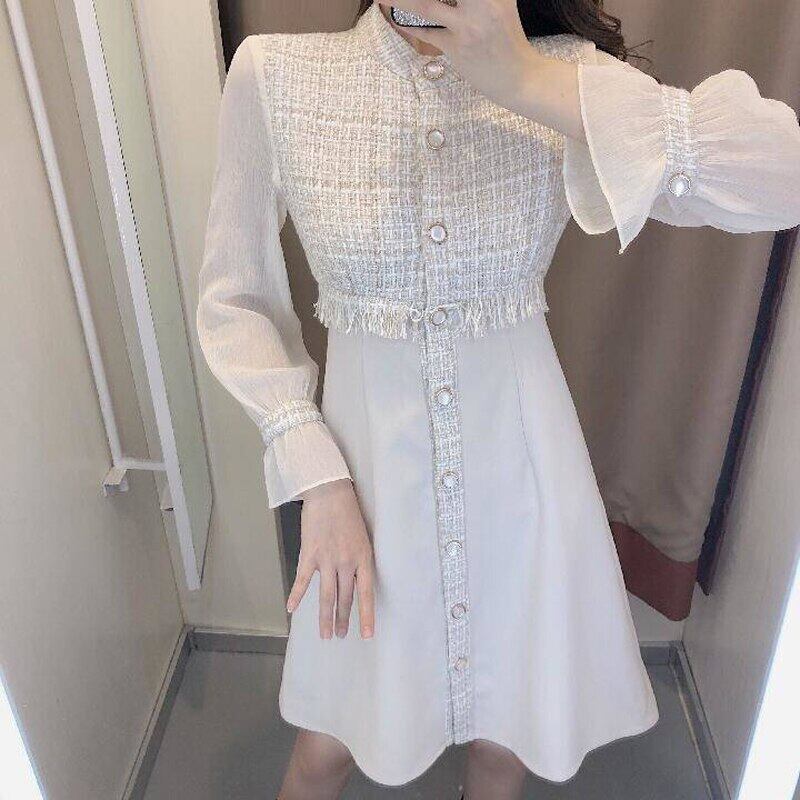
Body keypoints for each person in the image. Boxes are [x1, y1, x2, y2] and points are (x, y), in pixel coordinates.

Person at [195, 1, 800, 798]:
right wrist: (317, 476)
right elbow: (232, 300)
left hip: (524, 494)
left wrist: (525, 80)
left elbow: (781, 174)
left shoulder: (564, 72)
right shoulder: (279, 77)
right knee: (324, 751)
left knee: (503, 748)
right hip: (364, 495)